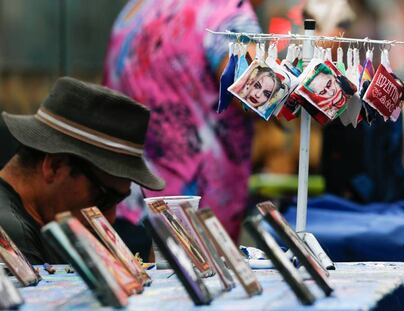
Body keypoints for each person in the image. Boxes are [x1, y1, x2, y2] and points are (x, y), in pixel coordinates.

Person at [103, 0, 263, 242]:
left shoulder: (137, 9)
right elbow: (255, 94)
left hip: (125, 201)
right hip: (193, 220)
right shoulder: (227, 11)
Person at [0, 77, 165, 264]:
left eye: (118, 200)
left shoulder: (37, 225)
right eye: (104, 198)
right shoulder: (12, 235)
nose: (109, 218)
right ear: (55, 166)